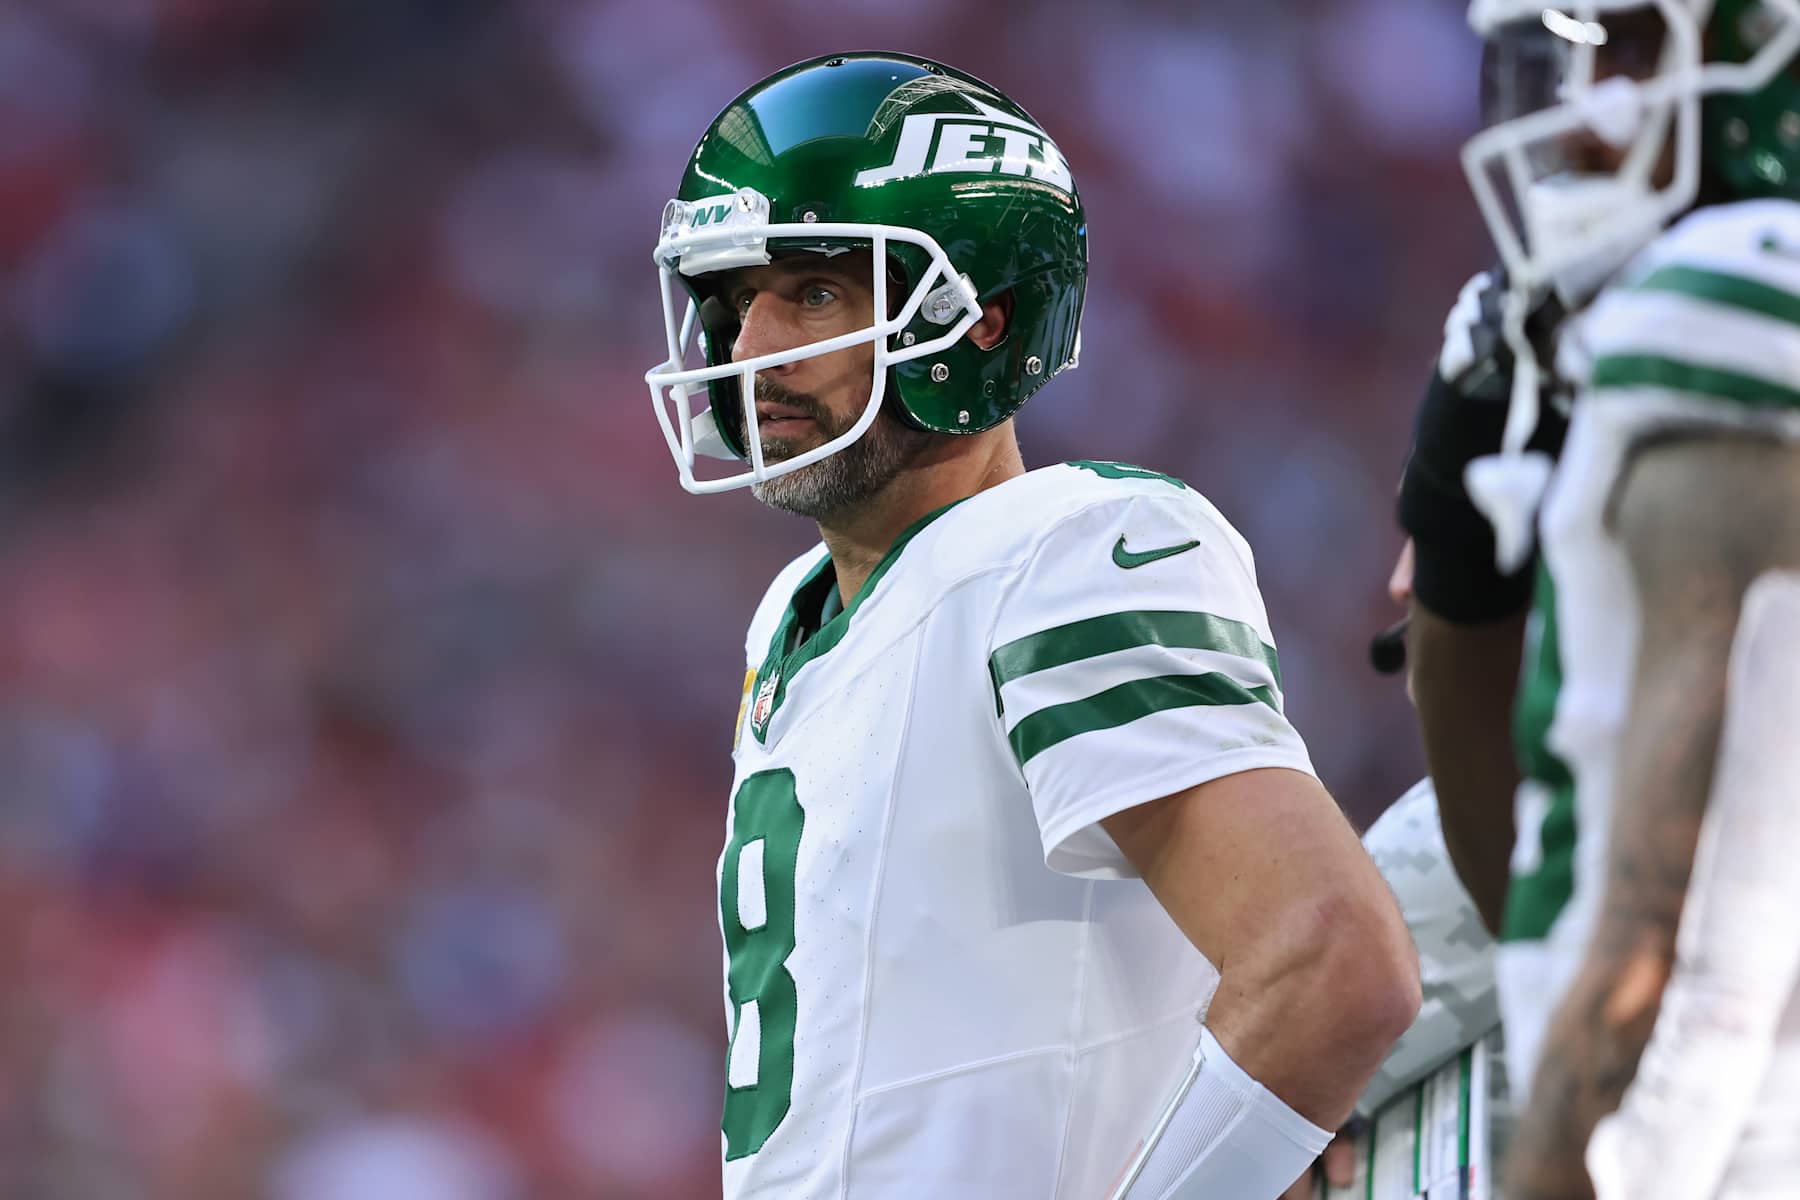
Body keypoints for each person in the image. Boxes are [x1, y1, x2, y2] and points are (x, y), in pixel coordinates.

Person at [644, 52, 1420, 1200]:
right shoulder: (797, 618)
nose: (748, 350)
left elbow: (1335, 960)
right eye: (730, 300)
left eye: (812, 293)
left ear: (983, 320)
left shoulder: (1059, 552)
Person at [1397, 3, 1800, 1196]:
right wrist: (1460, 525)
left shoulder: (1733, 308)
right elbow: (1525, 872)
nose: (1577, 118)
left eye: (1626, 51)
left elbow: (1665, 957)